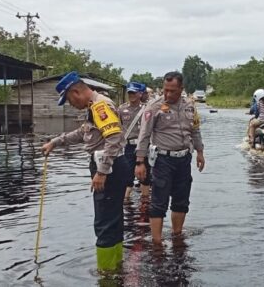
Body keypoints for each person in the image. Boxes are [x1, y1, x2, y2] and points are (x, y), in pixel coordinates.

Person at [41, 71, 129, 271]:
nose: (71, 105)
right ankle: (116, 267)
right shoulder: (94, 107)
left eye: (69, 100)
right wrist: (56, 142)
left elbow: (114, 139)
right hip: (113, 166)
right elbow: (84, 133)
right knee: (113, 220)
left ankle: (106, 275)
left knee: (104, 223)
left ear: (75, 92)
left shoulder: (100, 105)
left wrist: (102, 172)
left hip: (108, 168)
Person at [135, 71, 205, 245]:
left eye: (172, 91)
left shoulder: (190, 105)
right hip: (162, 159)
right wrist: (139, 162)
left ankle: (177, 236)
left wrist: (200, 151)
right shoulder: (154, 107)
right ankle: (157, 243)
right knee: (159, 202)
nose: (168, 94)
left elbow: (195, 129)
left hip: (183, 159)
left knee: (181, 201)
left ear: (181, 89)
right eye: (165, 90)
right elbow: (144, 135)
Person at [118, 81, 151, 200]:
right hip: (129, 146)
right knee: (127, 175)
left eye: (133, 93)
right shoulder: (121, 109)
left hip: (144, 146)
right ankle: (126, 201)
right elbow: (117, 126)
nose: (131, 95)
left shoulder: (147, 109)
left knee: (145, 176)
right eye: (129, 93)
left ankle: (145, 201)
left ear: (140, 94)